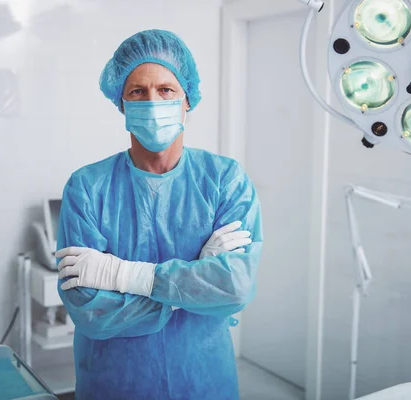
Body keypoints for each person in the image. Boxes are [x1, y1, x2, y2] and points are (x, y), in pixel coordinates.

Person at [56, 29, 263, 400]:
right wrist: (197, 281)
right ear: (121, 103)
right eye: (137, 91)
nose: (152, 101)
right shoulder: (87, 187)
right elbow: (89, 307)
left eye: (166, 89)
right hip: (116, 380)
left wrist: (122, 274)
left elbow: (235, 286)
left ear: (188, 100)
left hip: (202, 380)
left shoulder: (225, 180)